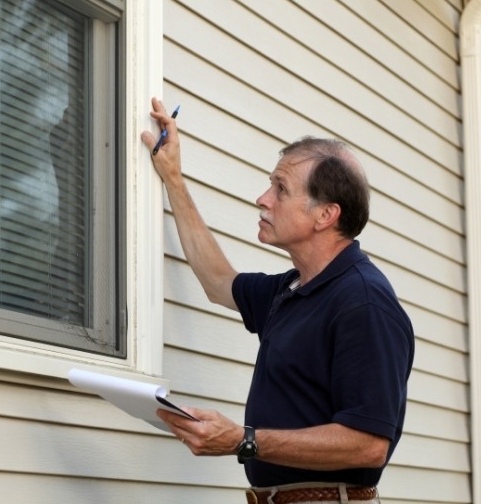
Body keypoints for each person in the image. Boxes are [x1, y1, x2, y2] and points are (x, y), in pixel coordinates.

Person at [141, 98, 414, 504]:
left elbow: (368, 444)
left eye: (280, 189)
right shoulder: (291, 290)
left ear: (325, 215)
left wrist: (244, 440)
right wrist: (173, 178)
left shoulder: (364, 302)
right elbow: (218, 281)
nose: (263, 198)